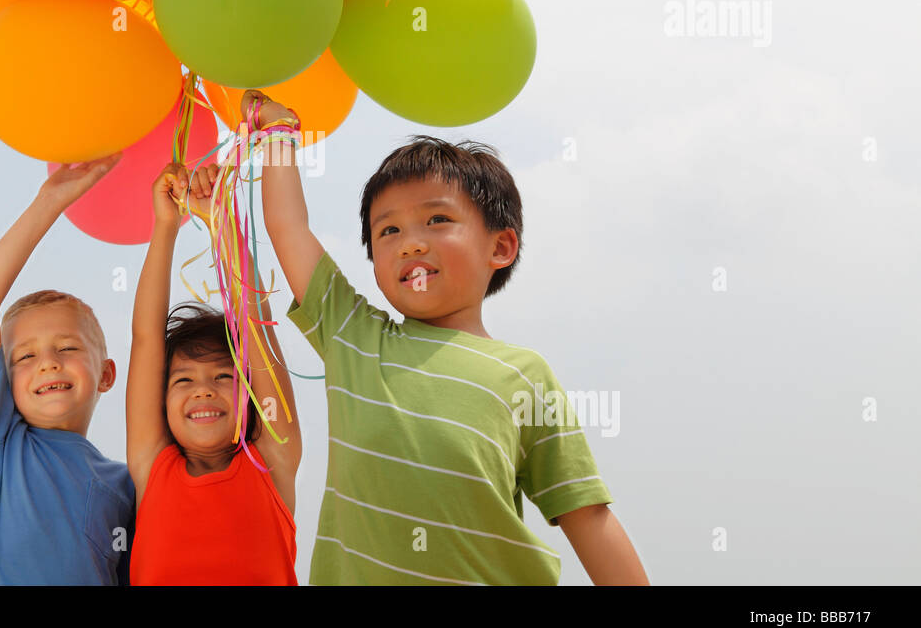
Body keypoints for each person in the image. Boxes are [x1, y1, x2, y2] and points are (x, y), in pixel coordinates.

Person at [244, 89, 649, 585]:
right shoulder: (353, 335)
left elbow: (587, 515)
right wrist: (279, 132)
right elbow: (288, 227)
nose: (410, 241)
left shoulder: (525, 374)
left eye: (437, 220)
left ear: (500, 246)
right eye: (387, 232)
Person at [0, 154, 135, 585]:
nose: (48, 361)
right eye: (24, 357)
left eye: (67, 347)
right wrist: (49, 203)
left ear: (105, 374)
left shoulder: (126, 484)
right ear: (2, 384)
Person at [125, 160, 301, 584]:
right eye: (183, 379)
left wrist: (219, 219)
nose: (203, 391)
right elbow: (146, 338)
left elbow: (254, 324)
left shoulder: (272, 461)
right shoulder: (153, 465)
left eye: (224, 377)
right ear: (161, 401)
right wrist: (166, 226)